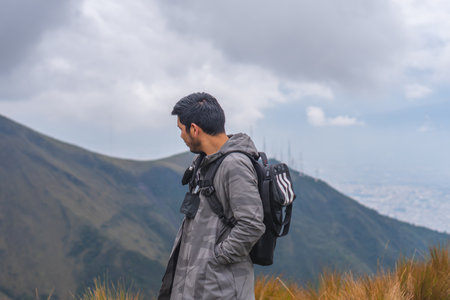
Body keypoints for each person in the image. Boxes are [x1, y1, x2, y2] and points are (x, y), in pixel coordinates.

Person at [158, 92, 265, 300]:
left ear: (194, 129)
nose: (181, 135)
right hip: (201, 287)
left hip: (220, 290)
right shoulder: (207, 162)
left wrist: (214, 260)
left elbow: (252, 225)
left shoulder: (234, 165)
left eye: (181, 129)